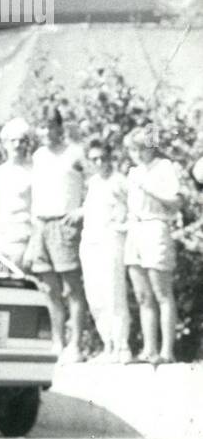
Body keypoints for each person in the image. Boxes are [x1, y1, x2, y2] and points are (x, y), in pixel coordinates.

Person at [24, 107, 88, 362]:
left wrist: (83, 209)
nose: (48, 131)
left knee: (72, 288)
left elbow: (97, 180)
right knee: (49, 289)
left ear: (61, 128)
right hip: (41, 225)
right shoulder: (38, 156)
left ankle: (76, 345)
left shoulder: (75, 153)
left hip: (65, 224)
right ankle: (57, 341)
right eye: (44, 127)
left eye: (53, 126)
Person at [124, 128, 183, 364]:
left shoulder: (164, 167)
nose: (136, 154)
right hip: (134, 230)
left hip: (156, 227)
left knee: (162, 293)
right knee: (142, 295)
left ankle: (167, 351)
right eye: (132, 149)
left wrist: (150, 190)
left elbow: (176, 203)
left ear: (151, 147)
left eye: (140, 148)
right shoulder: (133, 172)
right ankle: (149, 349)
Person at [76, 141, 131, 360]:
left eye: (103, 158)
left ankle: (122, 346)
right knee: (95, 295)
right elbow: (92, 210)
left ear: (110, 157)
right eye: (94, 159)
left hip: (111, 241)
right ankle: (107, 344)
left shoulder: (120, 181)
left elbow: (133, 208)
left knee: (113, 293)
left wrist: (121, 226)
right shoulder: (93, 182)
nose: (99, 163)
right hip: (90, 242)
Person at [0, 117, 32, 267]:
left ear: (27, 144)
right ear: (5, 144)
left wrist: (33, 246)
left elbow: (37, 211)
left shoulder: (34, 171)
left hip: (23, 239)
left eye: (22, 140)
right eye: (12, 140)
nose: (17, 145)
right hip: (0, 238)